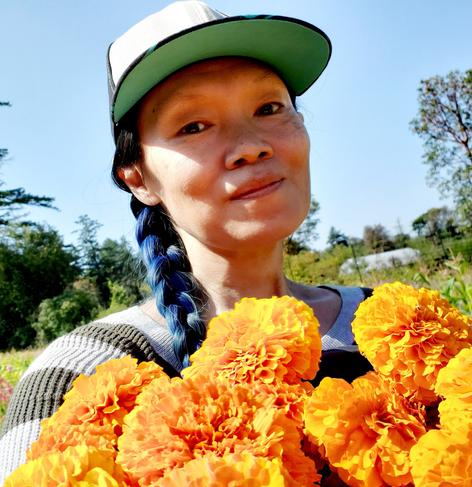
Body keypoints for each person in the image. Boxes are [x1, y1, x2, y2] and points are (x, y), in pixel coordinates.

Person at [0, 1, 371, 481]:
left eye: (269, 107)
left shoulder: (408, 335)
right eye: (193, 126)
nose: (251, 145)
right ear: (138, 179)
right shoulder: (78, 377)